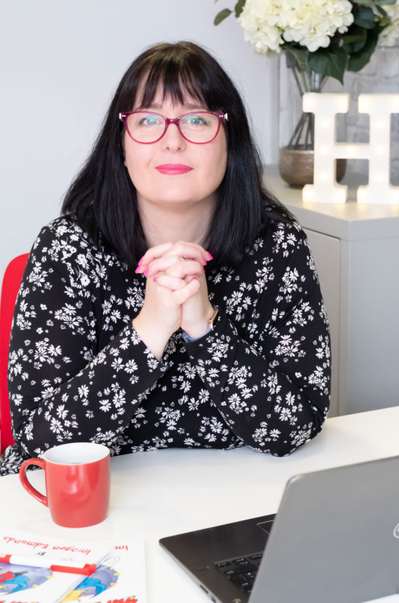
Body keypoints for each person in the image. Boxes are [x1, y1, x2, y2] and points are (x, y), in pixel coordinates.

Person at [1, 41, 331, 476]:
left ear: (230, 140)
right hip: (91, 501)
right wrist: (150, 328)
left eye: (196, 119)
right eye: (148, 120)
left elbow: (296, 425)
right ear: (122, 146)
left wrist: (206, 328)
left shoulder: (277, 247)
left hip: (233, 495)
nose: (172, 141)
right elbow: (40, 442)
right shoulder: (67, 248)